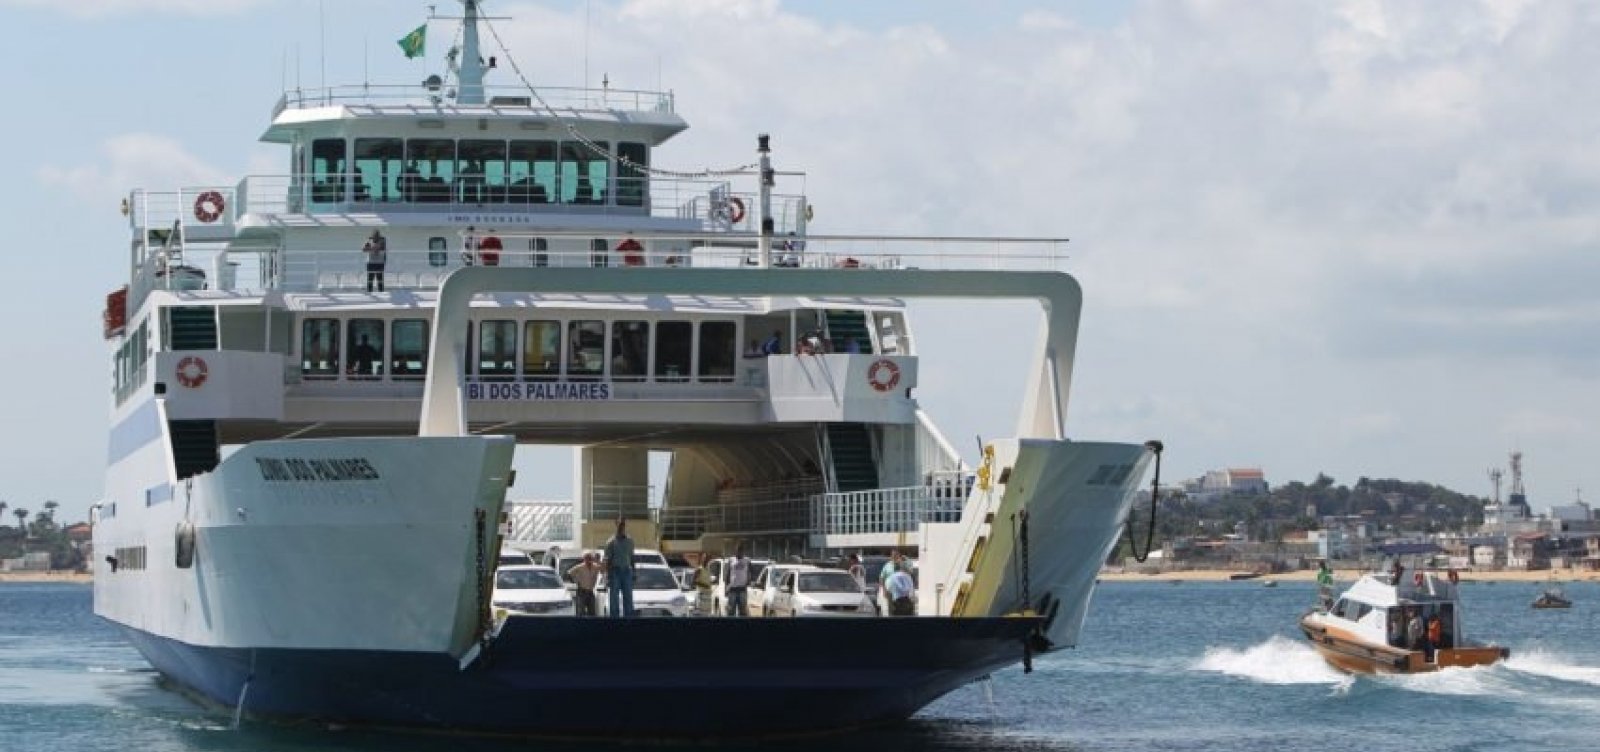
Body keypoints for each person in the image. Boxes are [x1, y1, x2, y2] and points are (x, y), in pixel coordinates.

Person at [603, 519, 636, 618]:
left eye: (623, 524)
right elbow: (607, 560)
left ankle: (629, 618)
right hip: (615, 571)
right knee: (614, 597)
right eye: (619, 524)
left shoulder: (630, 541)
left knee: (628, 596)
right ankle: (614, 619)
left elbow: (632, 557)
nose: (621, 526)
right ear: (616, 525)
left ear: (625, 526)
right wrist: (608, 575)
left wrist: (634, 572)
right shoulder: (611, 542)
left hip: (627, 570)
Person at [568, 552, 601, 617]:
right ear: (584, 559)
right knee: (581, 612)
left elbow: (603, 569)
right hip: (581, 592)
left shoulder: (595, 567)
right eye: (587, 558)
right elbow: (569, 573)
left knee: (592, 612)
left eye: (590, 558)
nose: (589, 560)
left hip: (590, 592)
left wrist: (598, 560)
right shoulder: (580, 567)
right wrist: (575, 581)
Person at [726, 546, 751, 617]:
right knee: (730, 612)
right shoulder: (731, 560)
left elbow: (751, 572)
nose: (739, 553)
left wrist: (749, 581)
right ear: (735, 551)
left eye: (740, 551)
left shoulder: (747, 560)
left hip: (742, 589)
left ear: (743, 552)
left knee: (743, 612)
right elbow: (727, 574)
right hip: (732, 589)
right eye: (737, 551)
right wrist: (726, 588)